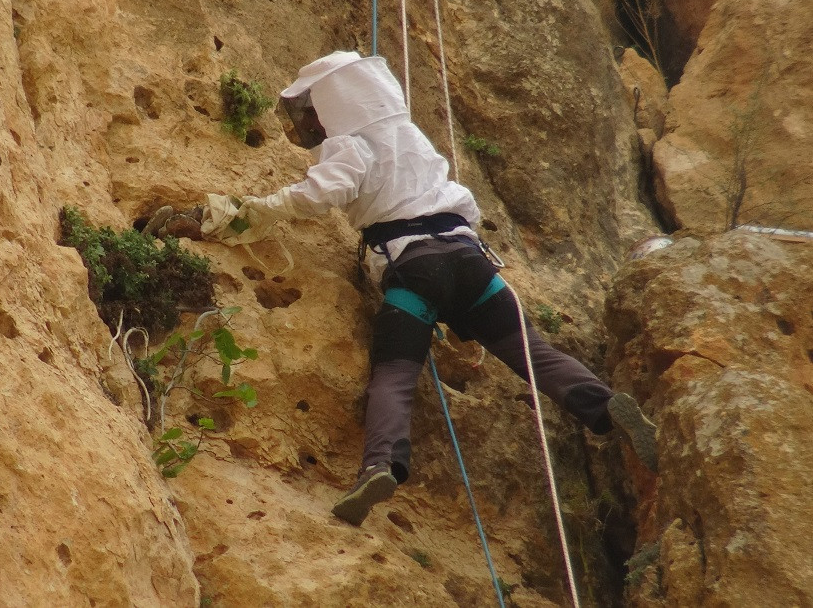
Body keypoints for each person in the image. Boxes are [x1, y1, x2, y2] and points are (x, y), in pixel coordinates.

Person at [235, 51, 658, 527]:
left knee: (394, 374)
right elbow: (468, 206)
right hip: (472, 262)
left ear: (335, 105)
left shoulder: (350, 146)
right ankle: (604, 406)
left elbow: (318, 195)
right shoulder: (412, 137)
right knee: (536, 354)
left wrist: (256, 209)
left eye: (312, 110)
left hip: (416, 268)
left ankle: (379, 466)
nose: (309, 121)